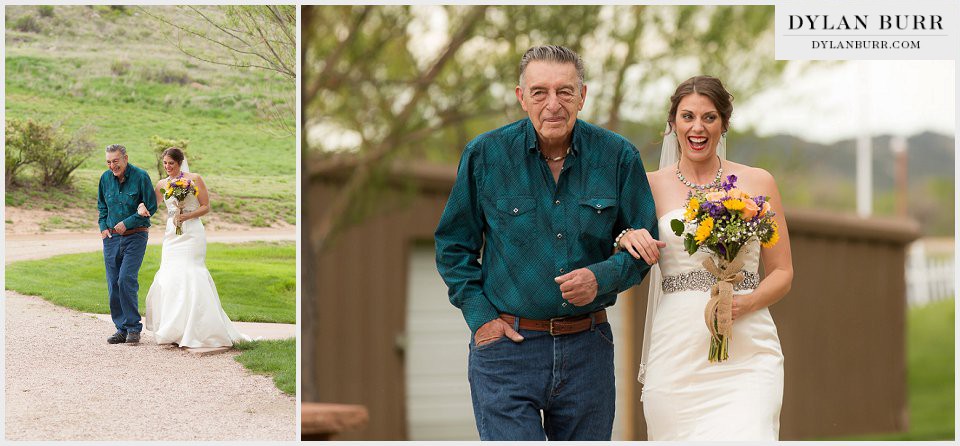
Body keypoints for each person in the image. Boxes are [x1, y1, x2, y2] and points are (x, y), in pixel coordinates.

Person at [434, 45, 658, 441]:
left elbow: (646, 245)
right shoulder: (485, 156)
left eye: (565, 92)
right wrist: (481, 318)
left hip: (587, 351)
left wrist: (600, 278)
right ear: (522, 98)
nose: (553, 104)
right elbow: (453, 244)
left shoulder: (618, 157)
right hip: (507, 350)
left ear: (582, 96)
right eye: (539, 92)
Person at [617, 75, 793, 440]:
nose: (698, 127)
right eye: (688, 117)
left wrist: (745, 304)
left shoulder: (758, 183)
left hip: (748, 350)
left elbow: (782, 272)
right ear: (673, 124)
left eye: (709, 117)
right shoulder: (647, 186)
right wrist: (626, 235)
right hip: (677, 349)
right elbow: (615, 239)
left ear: (724, 124)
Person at [138, 147, 250, 348]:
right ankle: (174, 328)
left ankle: (198, 329)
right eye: (164, 163)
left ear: (180, 162)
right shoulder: (162, 183)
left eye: (171, 163)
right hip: (172, 234)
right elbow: (152, 205)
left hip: (192, 233)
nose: (167, 167)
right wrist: (143, 207)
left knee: (191, 273)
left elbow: (206, 206)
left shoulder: (195, 179)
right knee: (170, 275)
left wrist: (187, 215)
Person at [99, 144, 158, 345]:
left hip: (136, 235)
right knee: (113, 283)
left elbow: (151, 206)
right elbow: (102, 206)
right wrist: (102, 226)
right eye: (108, 162)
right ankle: (121, 329)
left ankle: (133, 327)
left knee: (126, 279)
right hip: (111, 238)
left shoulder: (141, 176)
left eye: (115, 161)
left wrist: (128, 222)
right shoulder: (105, 178)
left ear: (125, 158)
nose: (112, 165)